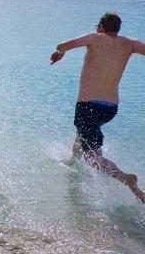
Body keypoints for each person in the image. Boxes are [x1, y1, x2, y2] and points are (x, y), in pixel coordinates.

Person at [51, 12, 144, 202]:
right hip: (110, 108)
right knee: (83, 132)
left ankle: (128, 180)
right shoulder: (130, 43)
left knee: (93, 159)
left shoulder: (95, 38)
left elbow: (62, 46)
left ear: (101, 27)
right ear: (116, 29)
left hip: (88, 106)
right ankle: (72, 160)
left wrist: (60, 54)